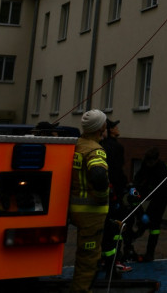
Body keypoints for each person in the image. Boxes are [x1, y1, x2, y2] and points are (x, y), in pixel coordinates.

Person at [69, 109, 110, 293]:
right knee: (87, 260)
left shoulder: (77, 145)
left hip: (74, 208)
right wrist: (102, 199)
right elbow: (99, 174)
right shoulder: (95, 150)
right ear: (100, 127)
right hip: (90, 214)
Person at [125, 147, 167, 262]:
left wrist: (149, 213)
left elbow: (161, 193)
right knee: (132, 197)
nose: (149, 164)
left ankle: (150, 253)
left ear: (156, 160)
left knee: (154, 224)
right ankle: (140, 219)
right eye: (147, 162)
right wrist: (133, 188)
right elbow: (138, 177)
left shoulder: (162, 169)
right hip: (149, 188)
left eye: (151, 163)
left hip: (162, 195)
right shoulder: (145, 164)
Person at [100, 119, 132, 275]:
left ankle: (103, 259)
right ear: (110, 130)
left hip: (104, 193)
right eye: (116, 126)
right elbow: (117, 170)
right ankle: (116, 261)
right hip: (115, 194)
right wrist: (125, 186)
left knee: (105, 227)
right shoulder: (116, 147)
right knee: (117, 227)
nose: (118, 128)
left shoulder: (101, 146)